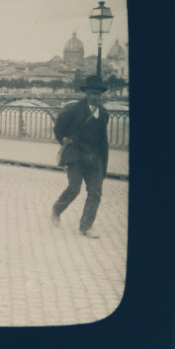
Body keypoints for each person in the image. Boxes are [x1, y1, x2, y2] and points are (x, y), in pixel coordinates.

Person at [51, 76, 110, 238]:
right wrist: (62, 139)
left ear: (101, 95)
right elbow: (59, 128)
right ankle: (57, 209)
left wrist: (103, 162)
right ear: (86, 93)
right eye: (92, 93)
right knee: (74, 189)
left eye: (98, 93)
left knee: (96, 193)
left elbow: (102, 139)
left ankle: (86, 226)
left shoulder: (104, 114)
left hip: (95, 157)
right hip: (76, 155)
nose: (95, 96)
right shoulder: (74, 109)